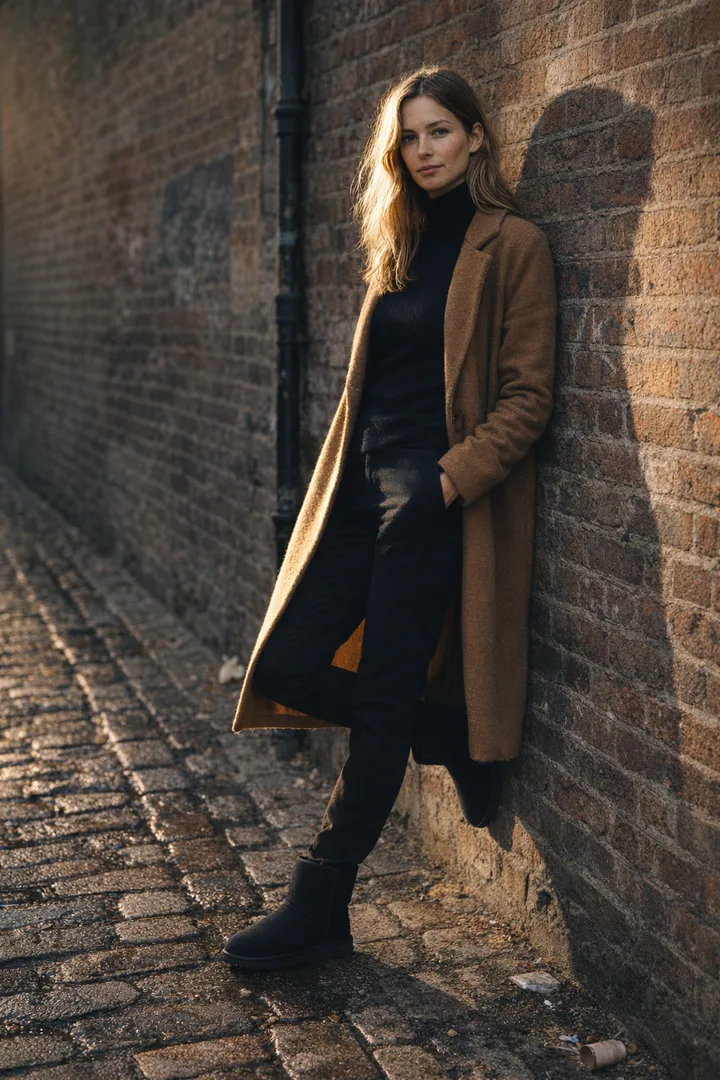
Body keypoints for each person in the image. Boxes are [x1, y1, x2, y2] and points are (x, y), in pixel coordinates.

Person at [223, 65, 557, 970]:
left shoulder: (512, 245)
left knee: (376, 694)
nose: (424, 151)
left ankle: (322, 898)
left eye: (441, 131)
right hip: (358, 491)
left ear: (477, 137)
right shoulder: (399, 243)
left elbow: (528, 400)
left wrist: (448, 483)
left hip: (434, 501)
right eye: (409, 137)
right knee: (291, 660)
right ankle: (441, 730)